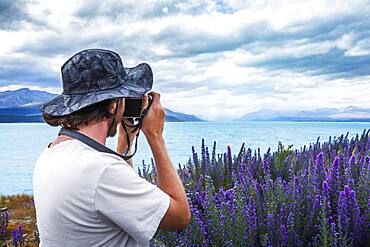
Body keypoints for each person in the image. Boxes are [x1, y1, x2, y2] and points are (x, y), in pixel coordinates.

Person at [33, 49, 191, 246]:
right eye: (123, 97)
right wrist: (155, 136)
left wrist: (125, 138)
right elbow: (179, 217)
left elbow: (115, 196)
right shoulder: (101, 170)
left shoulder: (51, 153)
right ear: (113, 106)